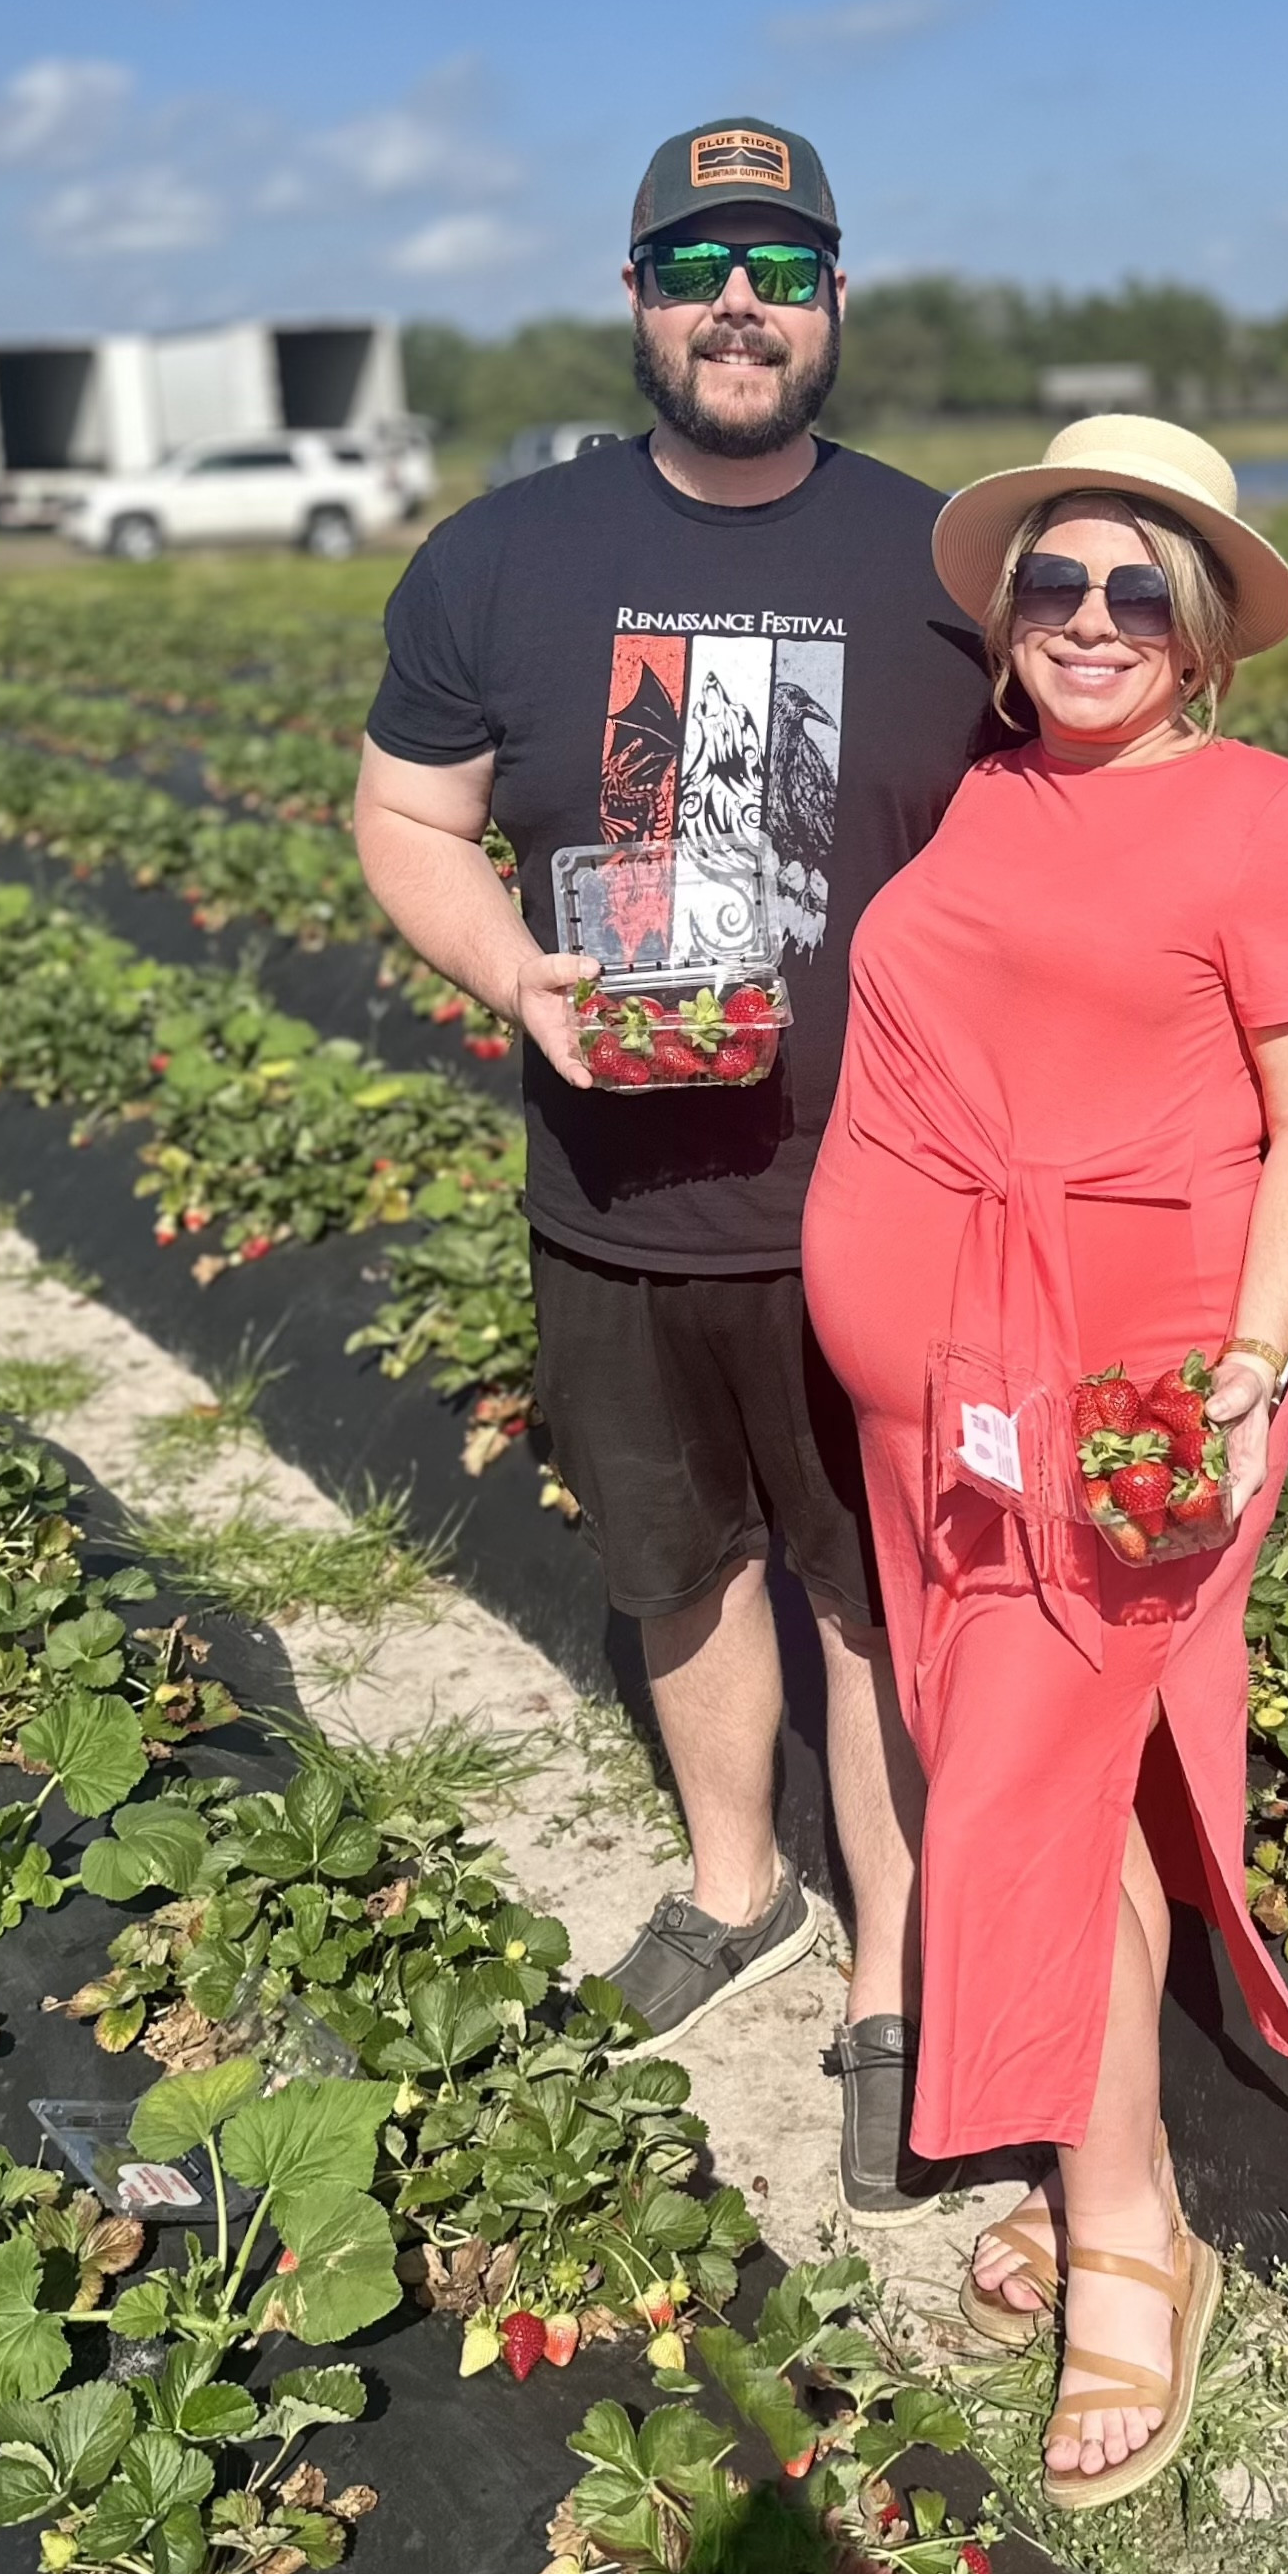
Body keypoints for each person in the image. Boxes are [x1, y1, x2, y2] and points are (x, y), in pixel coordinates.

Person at [352, 118, 997, 2217]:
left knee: (873, 1598)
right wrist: (512, 976)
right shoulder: (497, 561)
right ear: (637, 296)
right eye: (700, 262)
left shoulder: (942, 570)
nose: (741, 302)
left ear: (834, 305)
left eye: (782, 268)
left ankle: (888, 1981)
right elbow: (404, 818)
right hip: (614, 1199)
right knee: (678, 1564)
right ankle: (737, 1889)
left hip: (878, 1206)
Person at [802, 415, 1288, 2505]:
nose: (1089, 621)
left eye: (1142, 589)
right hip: (933, 1385)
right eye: (1055, 580)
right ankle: (1081, 2142)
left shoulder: (1274, 820)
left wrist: (1250, 1351)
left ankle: (1128, 2229)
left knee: (1034, 1789)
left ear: (1208, 627)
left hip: (1133, 1384)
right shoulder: (981, 792)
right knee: (1030, 1766)